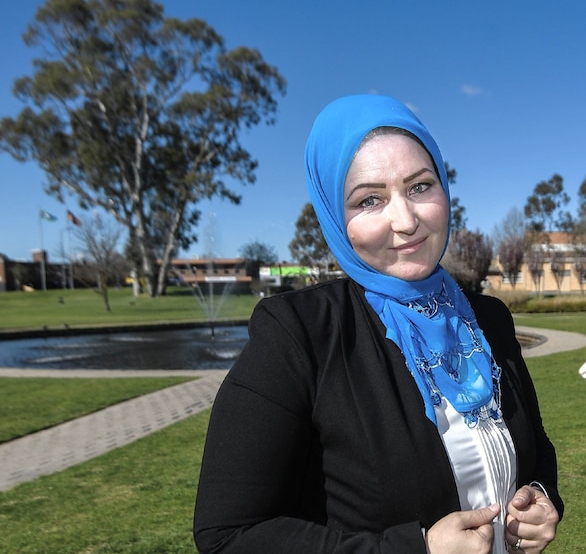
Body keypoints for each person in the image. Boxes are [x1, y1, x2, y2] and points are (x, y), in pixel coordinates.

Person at [194, 94, 564, 553]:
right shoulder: (298, 334)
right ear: (334, 215)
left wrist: (543, 498)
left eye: (419, 187)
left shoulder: (489, 319)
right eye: (369, 200)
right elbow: (228, 535)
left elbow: (537, 447)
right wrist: (418, 549)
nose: (405, 221)